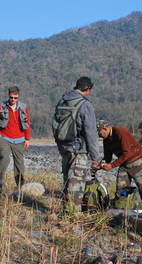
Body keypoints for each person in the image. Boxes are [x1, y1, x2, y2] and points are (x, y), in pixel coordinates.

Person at [53, 76, 101, 213]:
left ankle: (65, 213)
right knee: (76, 186)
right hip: (79, 150)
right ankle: (73, 218)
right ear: (87, 89)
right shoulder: (85, 105)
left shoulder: (62, 100)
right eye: (90, 90)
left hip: (65, 148)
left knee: (67, 182)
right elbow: (91, 133)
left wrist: (60, 146)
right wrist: (95, 158)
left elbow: (55, 125)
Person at [96, 120, 142, 210]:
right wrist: (100, 165)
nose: (99, 136)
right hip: (124, 164)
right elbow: (107, 157)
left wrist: (112, 165)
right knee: (121, 189)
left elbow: (127, 153)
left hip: (137, 162)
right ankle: (123, 210)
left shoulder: (120, 132)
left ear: (105, 129)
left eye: (99, 133)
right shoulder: (106, 140)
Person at [0, 86, 31, 194]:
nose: (13, 100)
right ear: (8, 96)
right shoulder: (0, 107)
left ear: (18, 97)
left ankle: (21, 188)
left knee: (19, 164)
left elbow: (27, 124)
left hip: (19, 139)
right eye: (11, 97)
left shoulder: (24, 108)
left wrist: (27, 138)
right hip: (4, 138)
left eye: (15, 98)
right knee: (4, 158)